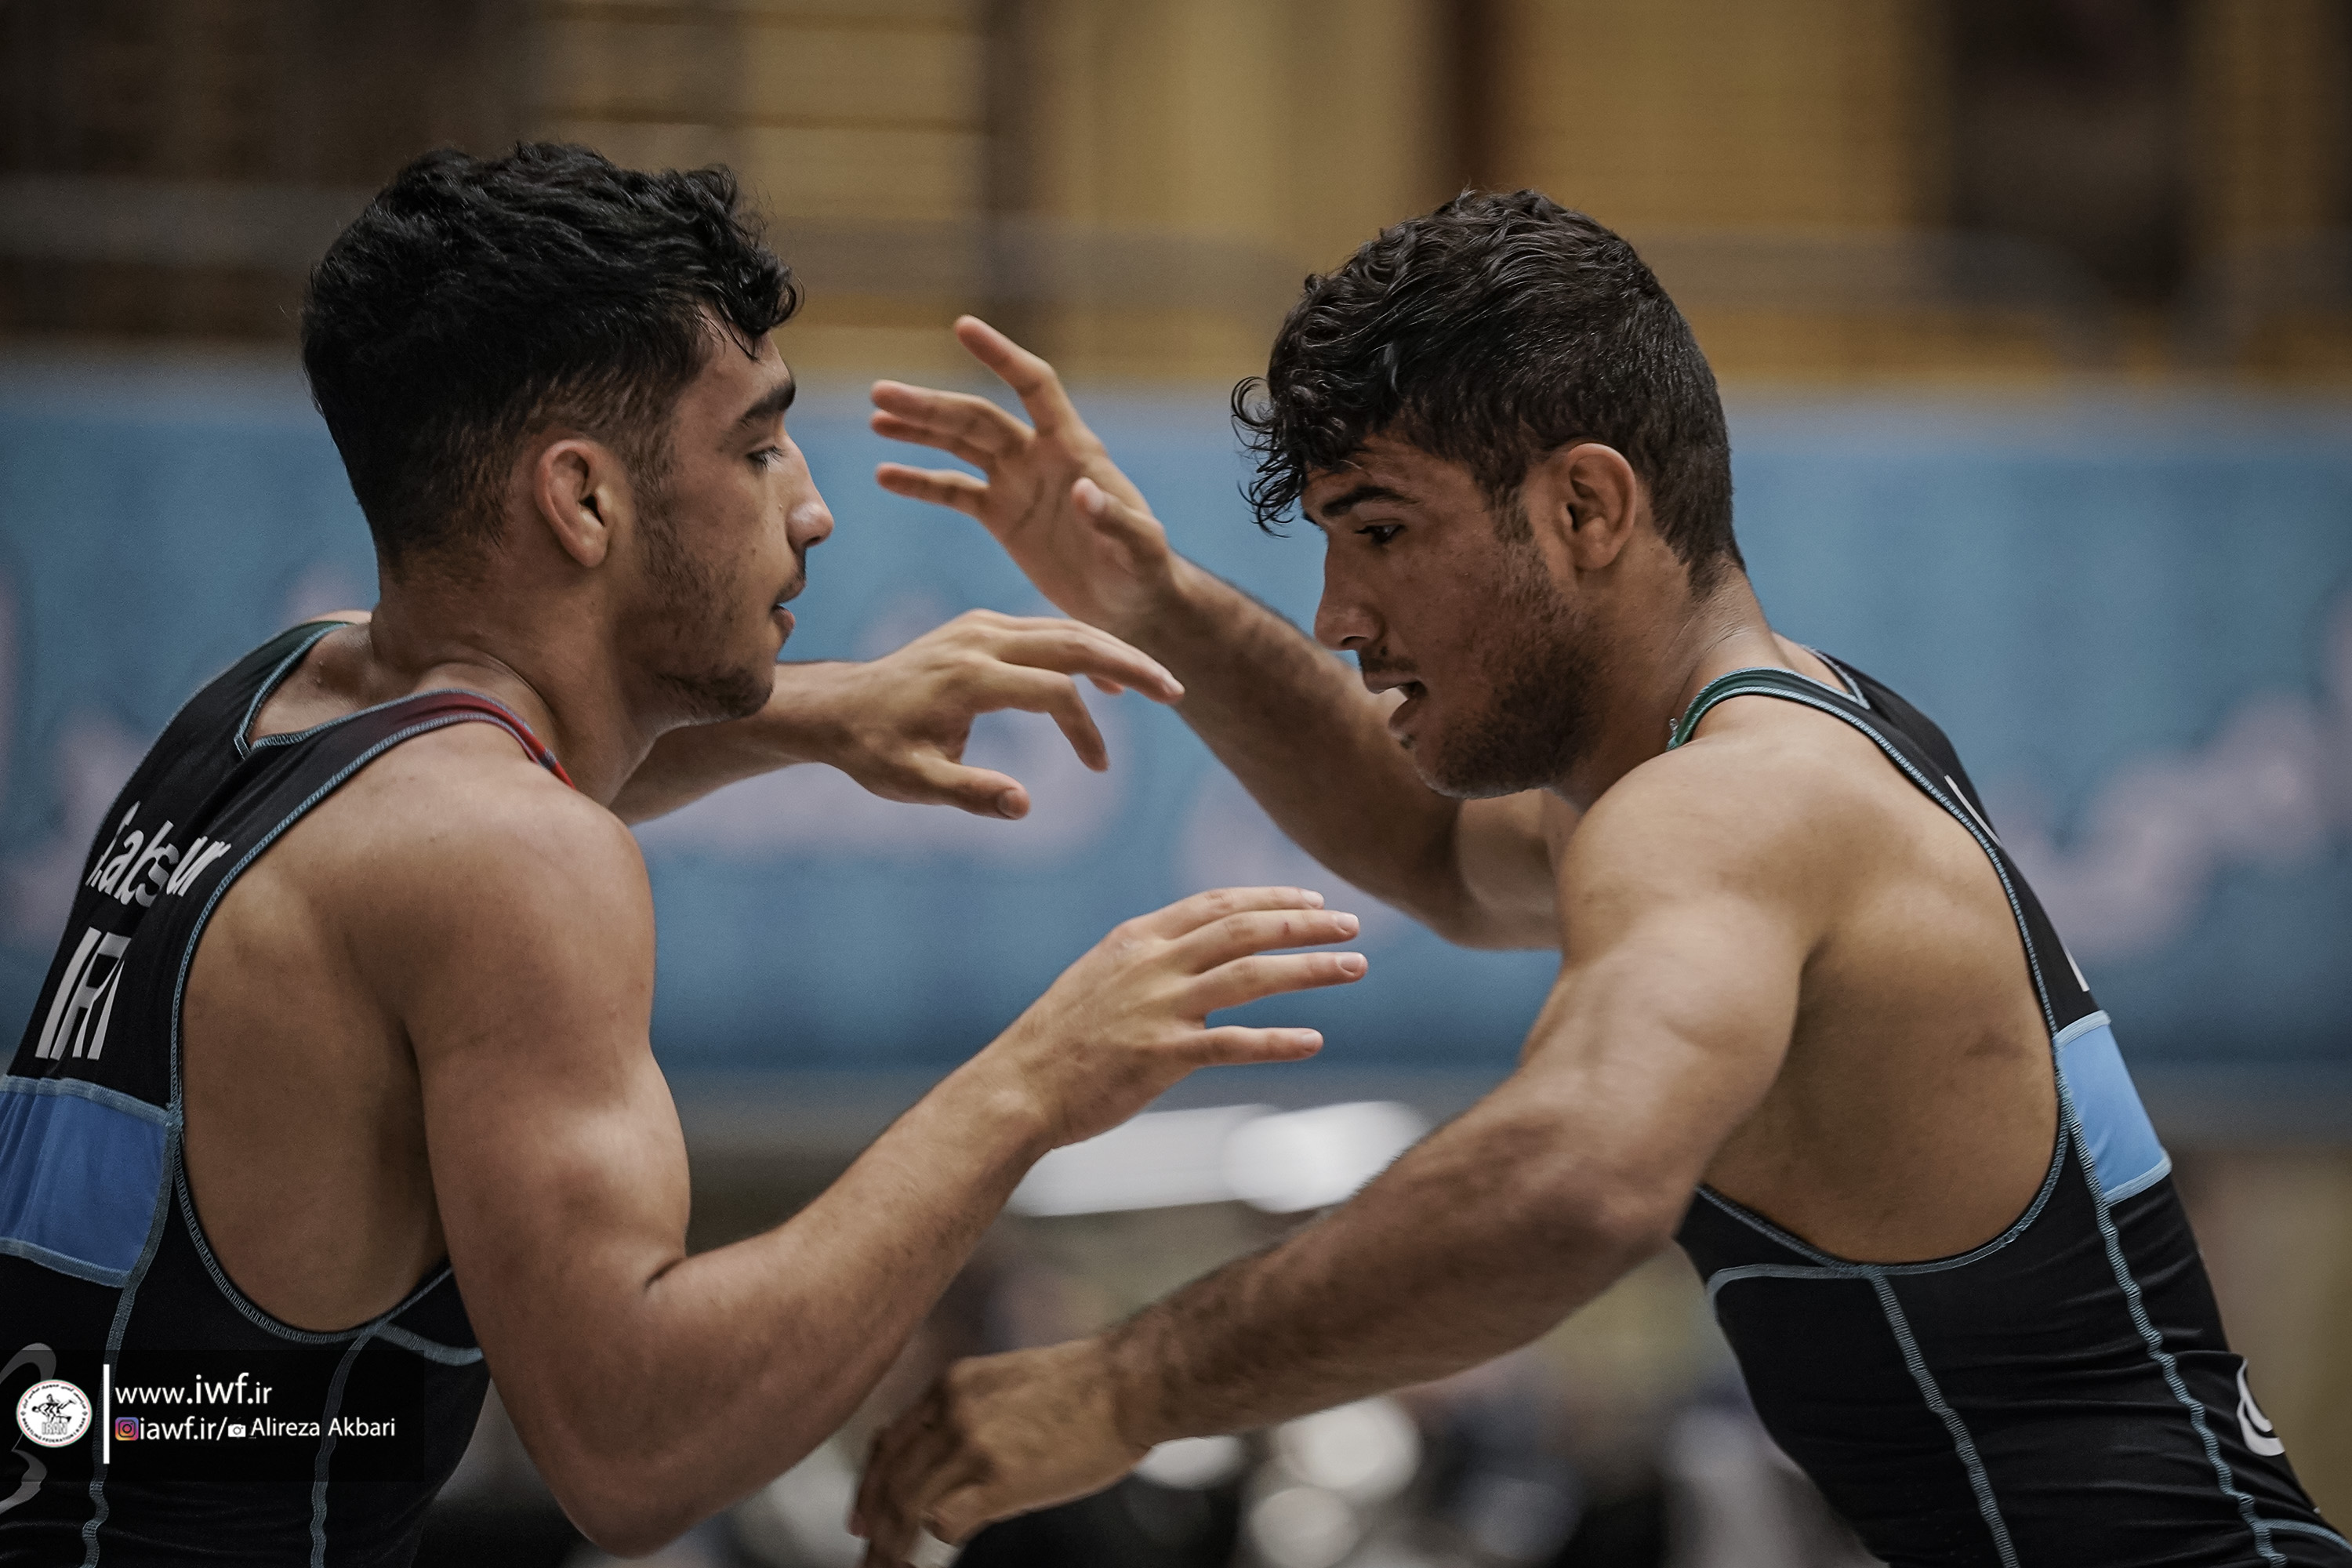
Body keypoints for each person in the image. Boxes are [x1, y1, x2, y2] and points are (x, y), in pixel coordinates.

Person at [851, 191, 2347, 1566]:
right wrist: (1161, 603)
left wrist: (1124, 1386)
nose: (1336, 614)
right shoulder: (1767, 746)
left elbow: (1575, 1179)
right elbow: (1431, 850)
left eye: (1383, 530)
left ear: (1586, 508)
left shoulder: (1730, 810)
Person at [0, 143, 1370, 1566]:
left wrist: (829, 708)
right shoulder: (515, 859)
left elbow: (490, 780)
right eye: (758, 448)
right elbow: (635, 1450)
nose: (811, 508)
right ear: (584, 501)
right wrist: (1031, 1086)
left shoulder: (274, 698)